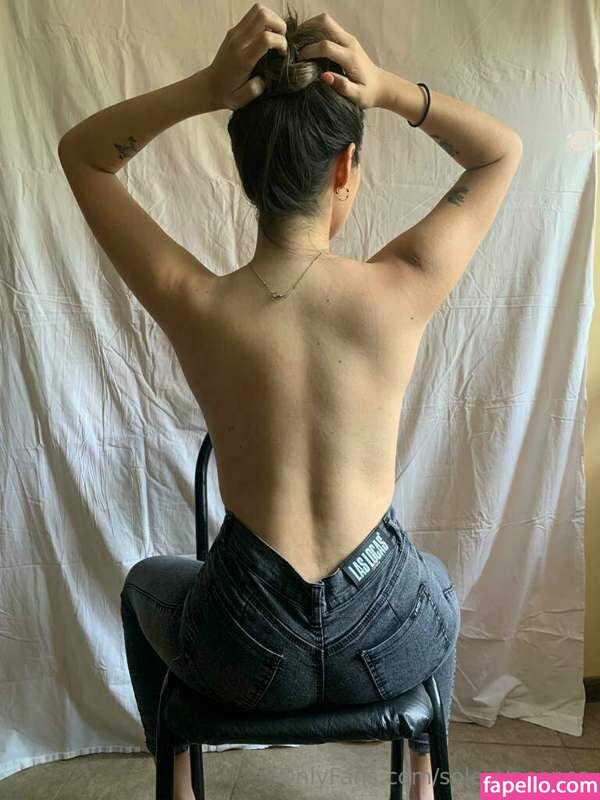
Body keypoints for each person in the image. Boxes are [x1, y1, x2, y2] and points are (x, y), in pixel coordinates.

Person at [120, 4, 523, 800]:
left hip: (246, 653)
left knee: (143, 586)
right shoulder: (399, 287)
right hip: (387, 642)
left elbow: (83, 157)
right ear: (344, 169)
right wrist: (390, 90)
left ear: (246, 174)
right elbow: (500, 152)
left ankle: (180, 787)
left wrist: (205, 89)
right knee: (435, 582)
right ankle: (422, 778)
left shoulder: (196, 302)